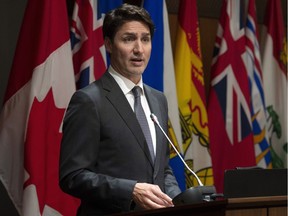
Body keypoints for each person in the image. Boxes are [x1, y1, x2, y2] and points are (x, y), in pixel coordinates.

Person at [59, 3, 181, 215]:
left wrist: (179, 201)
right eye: (128, 39)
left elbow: (162, 168)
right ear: (108, 44)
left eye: (145, 39)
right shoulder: (89, 100)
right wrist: (130, 190)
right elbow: (73, 175)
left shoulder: (158, 99)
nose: (139, 49)